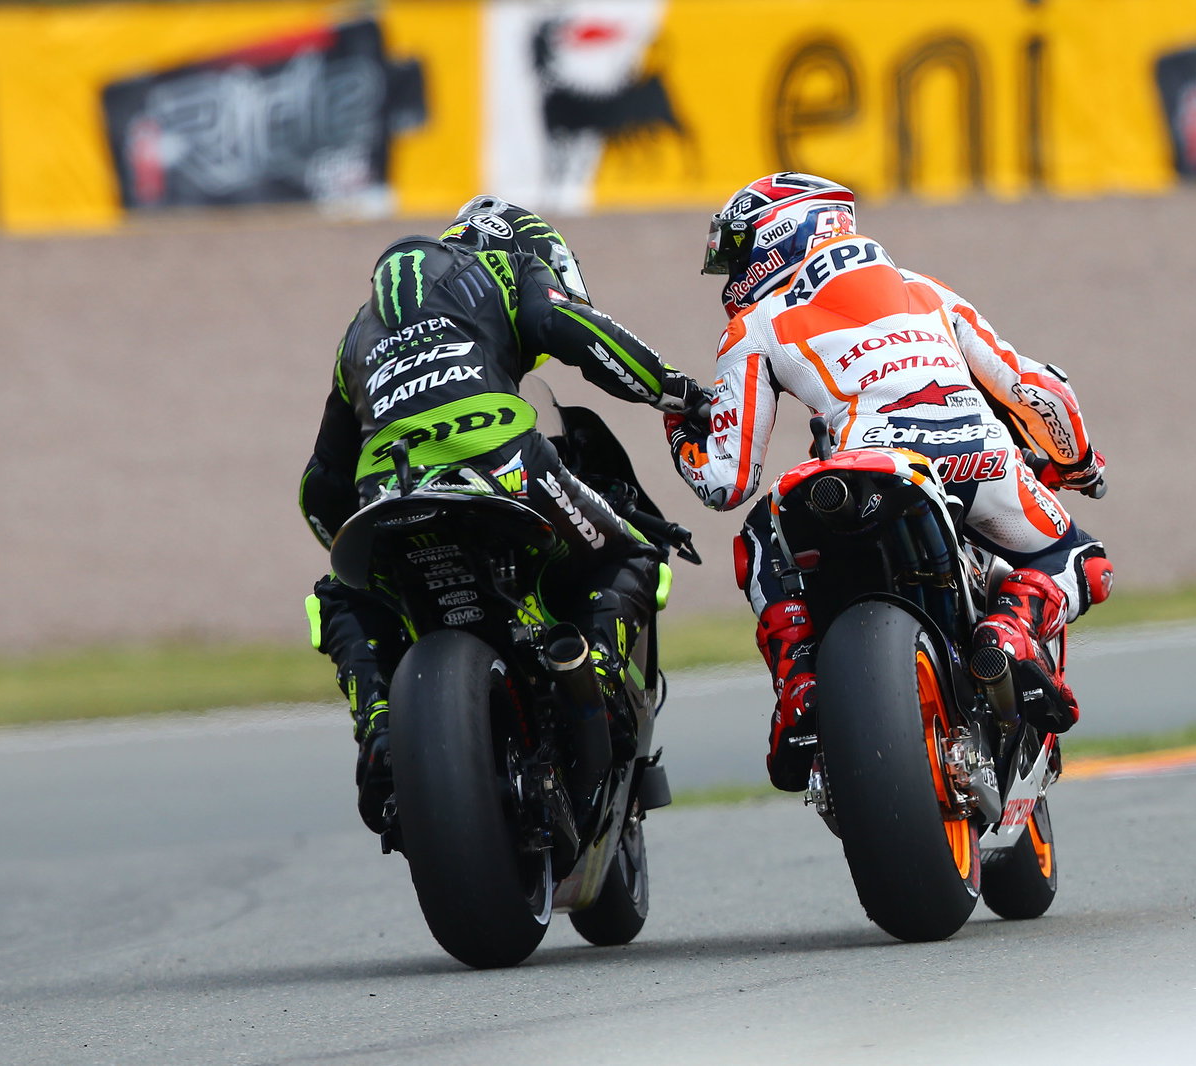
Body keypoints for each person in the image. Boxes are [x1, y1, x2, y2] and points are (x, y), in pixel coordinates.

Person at [664, 172, 1114, 792]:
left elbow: (725, 479)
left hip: (857, 475)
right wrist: (1080, 464)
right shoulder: (926, 291)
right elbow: (1036, 389)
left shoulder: (758, 324)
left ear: (780, 234)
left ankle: (800, 681)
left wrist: (678, 427)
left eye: (739, 251)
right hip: (980, 463)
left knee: (758, 537)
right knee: (1082, 560)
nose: (734, 274)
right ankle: (1009, 629)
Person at [301, 195, 705, 832]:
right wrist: (680, 394)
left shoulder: (359, 331)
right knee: (630, 556)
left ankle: (379, 722)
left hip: (389, 493)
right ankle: (594, 677)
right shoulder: (504, 269)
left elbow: (320, 487)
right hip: (504, 463)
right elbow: (580, 333)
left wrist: (354, 550)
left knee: (341, 594)